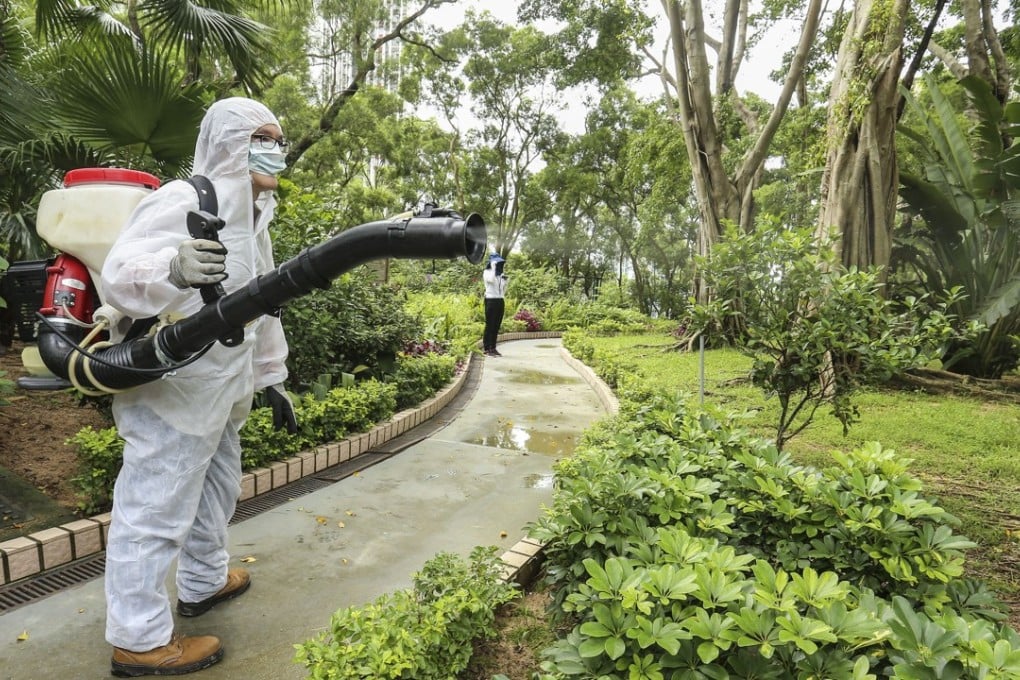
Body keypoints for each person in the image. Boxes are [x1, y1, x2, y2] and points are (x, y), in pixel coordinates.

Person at [99, 97, 297, 677]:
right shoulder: (185, 199)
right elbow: (119, 274)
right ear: (230, 142)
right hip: (176, 388)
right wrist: (172, 268)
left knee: (217, 488)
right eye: (262, 136)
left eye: (279, 139)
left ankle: (204, 581)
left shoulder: (256, 218)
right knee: (155, 503)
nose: (275, 149)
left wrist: (273, 379)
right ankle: (137, 639)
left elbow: (264, 306)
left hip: (224, 386)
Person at [482, 252, 508, 357]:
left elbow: (502, 291)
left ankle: (493, 347)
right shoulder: (487, 272)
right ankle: (487, 348)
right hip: (491, 300)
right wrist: (492, 267)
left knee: (496, 325)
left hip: (500, 300)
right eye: (496, 263)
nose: (498, 265)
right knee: (490, 325)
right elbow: (490, 280)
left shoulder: (500, 275)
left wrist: (505, 281)